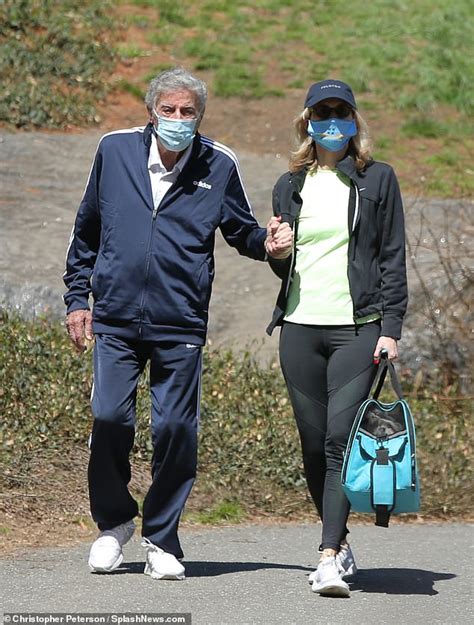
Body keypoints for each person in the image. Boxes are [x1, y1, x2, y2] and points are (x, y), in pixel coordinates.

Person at [63, 67, 292, 580]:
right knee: (109, 418)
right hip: (116, 316)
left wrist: (269, 245)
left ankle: (161, 538)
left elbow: (241, 231)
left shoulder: (219, 163)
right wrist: (78, 297)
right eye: (168, 110)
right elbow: (87, 231)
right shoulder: (114, 150)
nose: (177, 119)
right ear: (151, 112)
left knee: (174, 429)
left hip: (180, 322)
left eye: (188, 112)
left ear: (200, 118)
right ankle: (114, 524)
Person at [267, 79, 407, 597]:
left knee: (338, 440)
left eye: (340, 111)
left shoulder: (378, 180)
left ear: (353, 120)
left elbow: (393, 257)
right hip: (300, 328)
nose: (331, 120)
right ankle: (340, 539)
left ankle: (326, 558)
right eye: (321, 112)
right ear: (306, 121)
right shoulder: (290, 183)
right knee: (311, 442)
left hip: (358, 329)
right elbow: (281, 263)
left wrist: (390, 329)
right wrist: (275, 251)